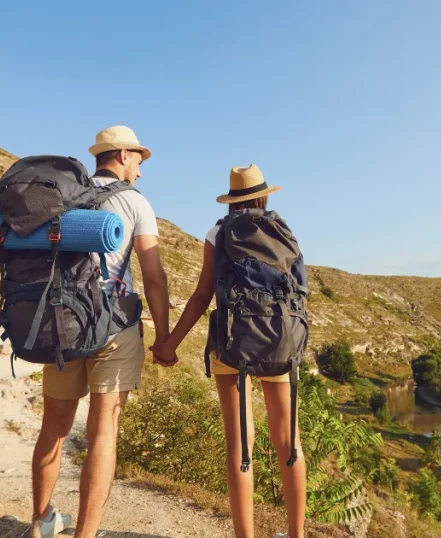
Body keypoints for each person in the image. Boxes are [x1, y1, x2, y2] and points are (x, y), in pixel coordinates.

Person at [30, 125, 176, 538]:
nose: (141, 172)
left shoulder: (63, 194)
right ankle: (86, 535)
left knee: (54, 426)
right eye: (139, 161)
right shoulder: (135, 203)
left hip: (63, 324)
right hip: (113, 326)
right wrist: (163, 337)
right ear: (124, 155)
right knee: (103, 431)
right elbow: (154, 276)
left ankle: (41, 521)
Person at [152, 164, 306, 538]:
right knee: (289, 440)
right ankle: (297, 534)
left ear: (232, 200)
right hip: (277, 336)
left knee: (240, 443)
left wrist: (169, 343)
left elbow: (203, 295)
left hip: (231, 342)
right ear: (264, 196)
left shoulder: (217, 232)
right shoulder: (283, 232)